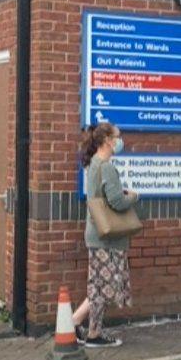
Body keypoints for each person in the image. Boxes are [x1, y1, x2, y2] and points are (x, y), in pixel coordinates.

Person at [72, 122, 138, 347]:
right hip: (107, 238)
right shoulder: (106, 167)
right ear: (108, 140)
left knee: (99, 285)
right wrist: (133, 196)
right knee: (103, 287)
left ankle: (75, 324)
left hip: (96, 234)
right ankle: (93, 334)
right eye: (117, 137)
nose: (120, 141)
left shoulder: (93, 165)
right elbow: (117, 202)